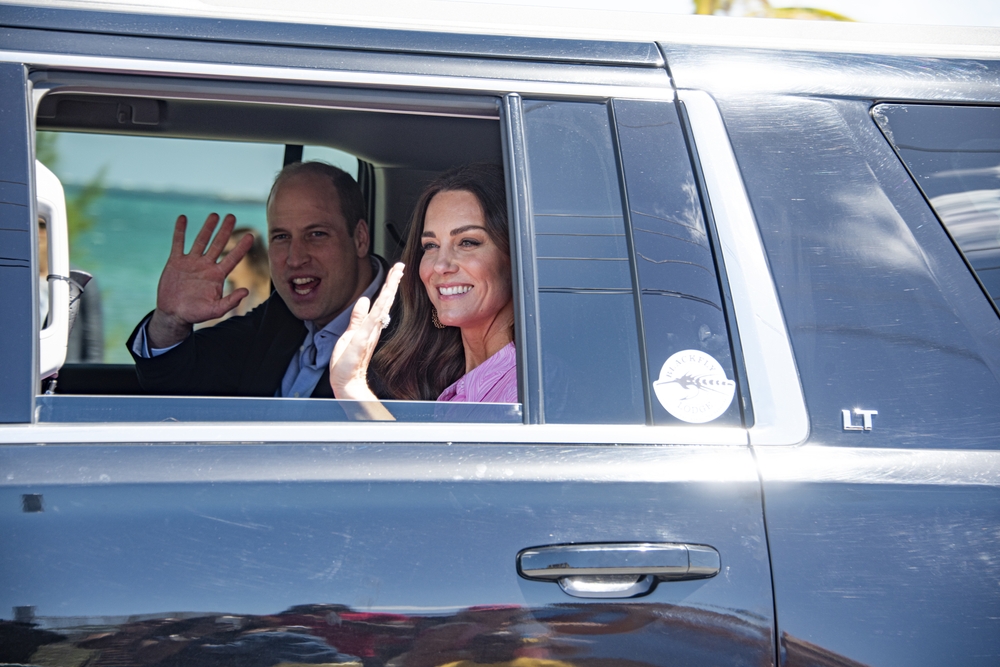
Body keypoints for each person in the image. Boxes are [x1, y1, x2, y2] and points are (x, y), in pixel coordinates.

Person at [127, 161, 387, 398]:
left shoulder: (411, 332)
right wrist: (171, 321)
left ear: (360, 238)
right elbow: (177, 382)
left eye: (317, 234)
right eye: (281, 237)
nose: (295, 259)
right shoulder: (280, 316)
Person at [328, 163, 515, 416]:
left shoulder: (527, 390)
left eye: (467, 242)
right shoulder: (436, 375)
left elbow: (427, 459)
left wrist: (352, 389)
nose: (440, 265)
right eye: (430, 245)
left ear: (515, 256)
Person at [198, 227, 271, 328]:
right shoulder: (219, 299)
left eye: (231, 253)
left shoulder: (272, 297)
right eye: (221, 254)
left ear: (253, 256)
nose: (224, 260)